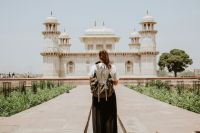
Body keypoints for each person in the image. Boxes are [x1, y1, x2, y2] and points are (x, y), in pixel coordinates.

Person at [89, 49, 118, 133]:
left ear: (99, 57)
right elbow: (116, 83)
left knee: (98, 118)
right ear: (107, 57)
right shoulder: (112, 67)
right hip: (110, 95)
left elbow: (90, 79)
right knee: (110, 117)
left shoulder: (94, 67)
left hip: (97, 96)